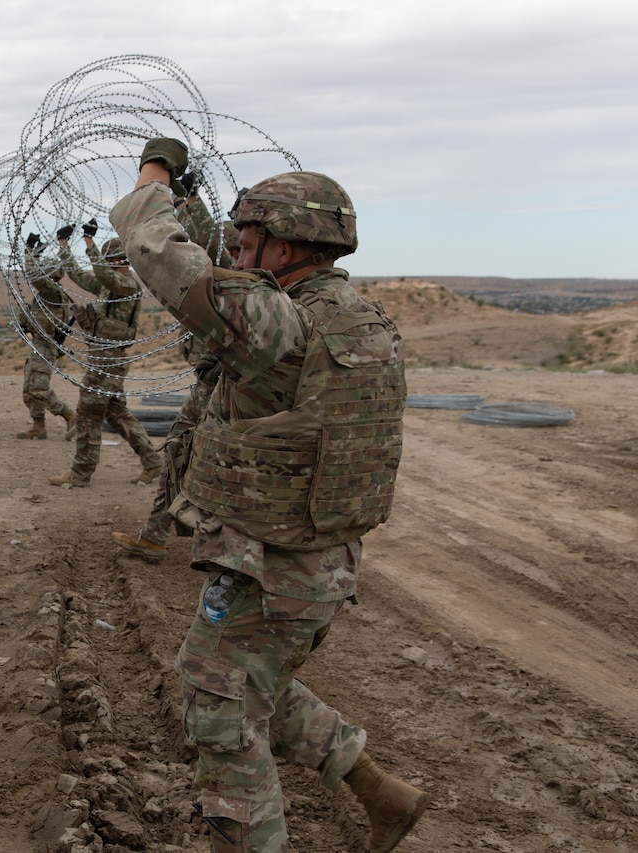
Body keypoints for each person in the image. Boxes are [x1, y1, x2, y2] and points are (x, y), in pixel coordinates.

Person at [108, 137, 426, 853]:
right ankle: (382, 793)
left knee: (218, 707)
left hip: (269, 568)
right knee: (257, 682)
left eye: (249, 241)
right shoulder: (358, 319)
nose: (238, 253)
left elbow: (161, 250)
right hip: (322, 563)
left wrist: (154, 177)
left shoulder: (279, 325)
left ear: (284, 250)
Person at [111, 221, 239, 559]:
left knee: (220, 463)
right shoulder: (233, 287)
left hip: (231, 387)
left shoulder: (253, 291)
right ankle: (157, 533)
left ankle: (225, 544)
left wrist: (191, 205)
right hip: (212, 381)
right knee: (180, 452)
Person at [48, 222, 162, 487]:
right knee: (116, 413)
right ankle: (152, 462)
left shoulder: (126, 286)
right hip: (103, 357)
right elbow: (77, 275)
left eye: (109, 260)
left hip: (109, 360)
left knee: (88, 412)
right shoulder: (107, 286)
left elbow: (103, 274)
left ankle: (80, 473)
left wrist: (89, 243)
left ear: (117, 261)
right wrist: (64, 247)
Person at [16, 230, 77, 440]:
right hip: (38, 345)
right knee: (28, 390)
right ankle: (38, 426)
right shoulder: (45, 295)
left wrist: (29, 252)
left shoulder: (53, 293)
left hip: (46, 347)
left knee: (39, 389)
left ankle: (69, 415)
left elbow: (33, 275)